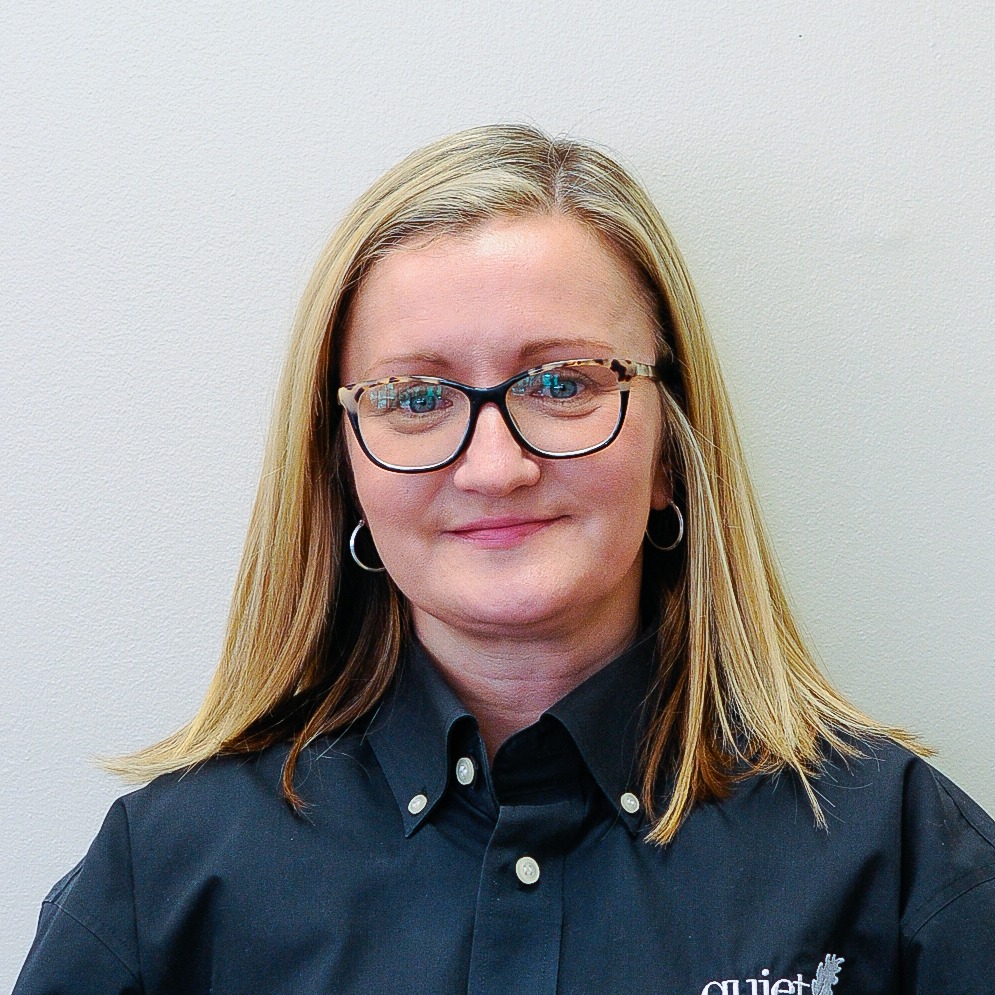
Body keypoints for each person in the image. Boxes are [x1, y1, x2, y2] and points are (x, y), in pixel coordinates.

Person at [15, 125, 995, 994]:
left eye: (562, 381)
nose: (495, 465)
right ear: (342, 465)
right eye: (412, 397)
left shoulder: (898, 855)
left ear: (670, 448)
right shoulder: (170, 875)